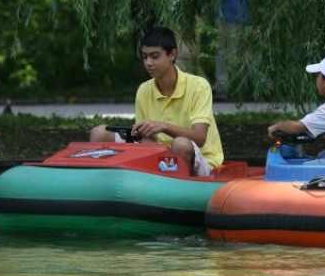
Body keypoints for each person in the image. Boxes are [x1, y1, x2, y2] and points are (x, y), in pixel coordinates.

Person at [90, 27, 224, 176]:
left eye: (155, 56)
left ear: (172, 54)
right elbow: (145, 141)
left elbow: (200, 138)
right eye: (145, 57)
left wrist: (164, 127)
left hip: (201, 159)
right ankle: (101, 183)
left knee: (181, 144)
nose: (148, 63)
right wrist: (142, 136)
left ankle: (178, 191)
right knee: (100, 132)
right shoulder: (144, 89)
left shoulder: (199, 86)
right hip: (158, 153)